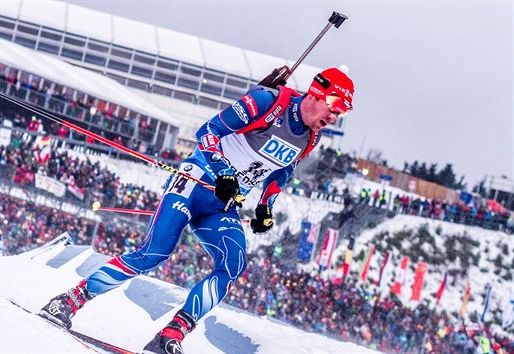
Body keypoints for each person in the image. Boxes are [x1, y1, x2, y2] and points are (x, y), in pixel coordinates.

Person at [39, 67, 355, 354]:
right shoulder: (266, 102)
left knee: (233, 263)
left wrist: (264, 206)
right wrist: (223, 172)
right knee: (154, 254)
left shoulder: (311, 136)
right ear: (316, 92)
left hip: (223, 203)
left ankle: (171, 335)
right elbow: (207, 132)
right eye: (335, 106)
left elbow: (282, 171)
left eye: (342, 113)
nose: (335, 116)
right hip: (194, 182)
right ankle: (68, 301)